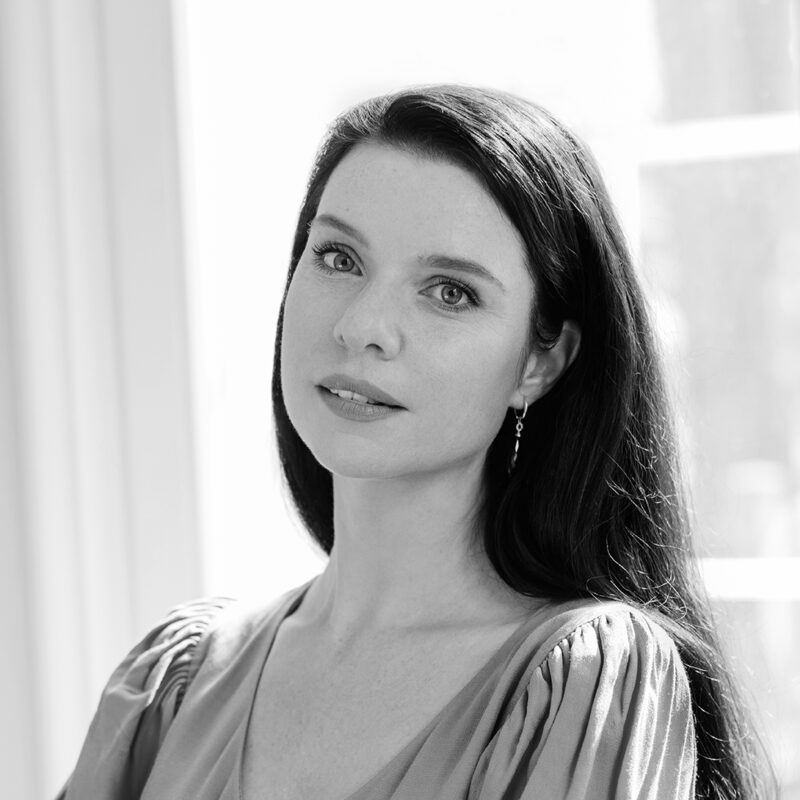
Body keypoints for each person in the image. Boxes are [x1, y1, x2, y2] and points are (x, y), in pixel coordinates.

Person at [58, 84, 774, 800]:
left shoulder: (587, 686)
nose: (362, 326)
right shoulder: (175, 683)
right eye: (338, 257)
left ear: (540, 362)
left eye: (449, 291)